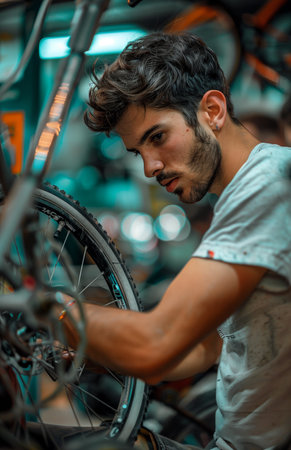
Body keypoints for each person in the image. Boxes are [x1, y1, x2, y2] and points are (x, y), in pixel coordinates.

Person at [61, 32, 291, 449]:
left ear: (213, 110)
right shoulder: (242, 197)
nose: (150, 167)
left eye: (157, 137)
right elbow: (203, 348)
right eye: (138, 152)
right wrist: (100, 353)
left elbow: (156, 344)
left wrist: (46, 307)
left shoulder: (270, 186)